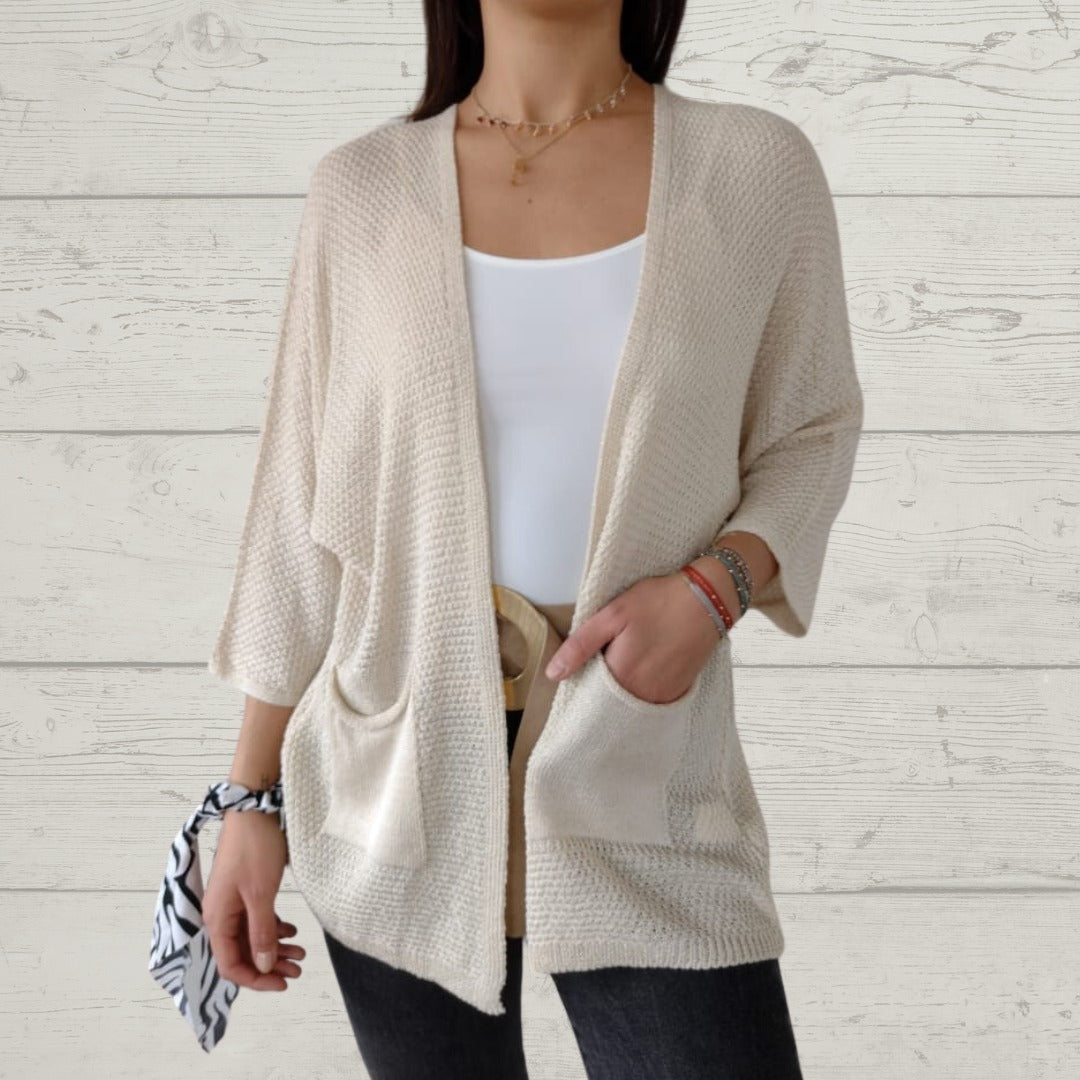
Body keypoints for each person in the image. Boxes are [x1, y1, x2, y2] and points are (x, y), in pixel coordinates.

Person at [201, 1, 864, 1076]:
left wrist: (713, 593)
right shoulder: (361, 191)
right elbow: (297, 507)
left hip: (642, 765)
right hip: (397, 782)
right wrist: (247, 798)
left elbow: (811, 431)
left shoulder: (752, 169)